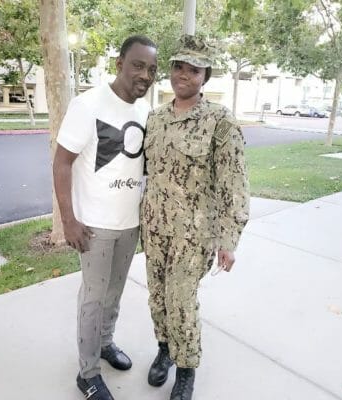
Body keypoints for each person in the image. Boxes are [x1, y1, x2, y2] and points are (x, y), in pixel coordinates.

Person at [141, 35, 250, 400]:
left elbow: (234, 183)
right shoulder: (155, 118)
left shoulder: (220, 121)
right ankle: (164, 350)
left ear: (205, 76)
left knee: (181, 299)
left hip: (194, 232)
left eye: (193, 70)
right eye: (178, 67)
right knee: (157, 295)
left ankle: (186, 369)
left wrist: (229, 240)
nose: (183, 75)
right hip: (155, 228)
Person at [53, 35, 157, 400]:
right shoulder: (88, 104)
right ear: (119, 63)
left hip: (129, 224)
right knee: (93, 298)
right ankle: (88, 372)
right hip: (95, 225)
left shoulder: (146, 112)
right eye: (138, 65)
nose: (145, 75)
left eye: (151, 69)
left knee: (114, 293)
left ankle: (106, 343)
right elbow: (62, 163)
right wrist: (68, 221)